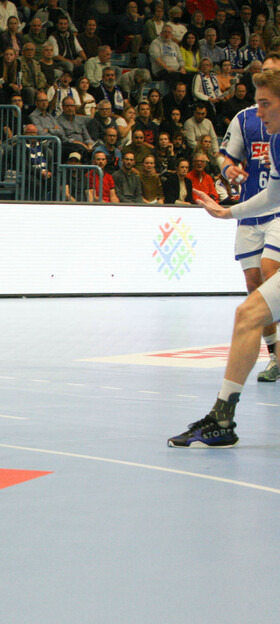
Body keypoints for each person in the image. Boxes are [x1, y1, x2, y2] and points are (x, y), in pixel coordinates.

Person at [168, 69, 280, 446]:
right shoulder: (277, 142)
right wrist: (227, 211)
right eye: (258, 104)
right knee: (248, 312)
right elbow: (272, 197)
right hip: (256, 219)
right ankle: (222, 418)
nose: (260, 113)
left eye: (266, 104)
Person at [217, 51, 280, 381]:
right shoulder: (245, 118)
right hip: (252, 208)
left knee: (272, 273)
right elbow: (224, 157)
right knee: (254, 284)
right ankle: (275, 355)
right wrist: (229, 171)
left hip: (278, 211)